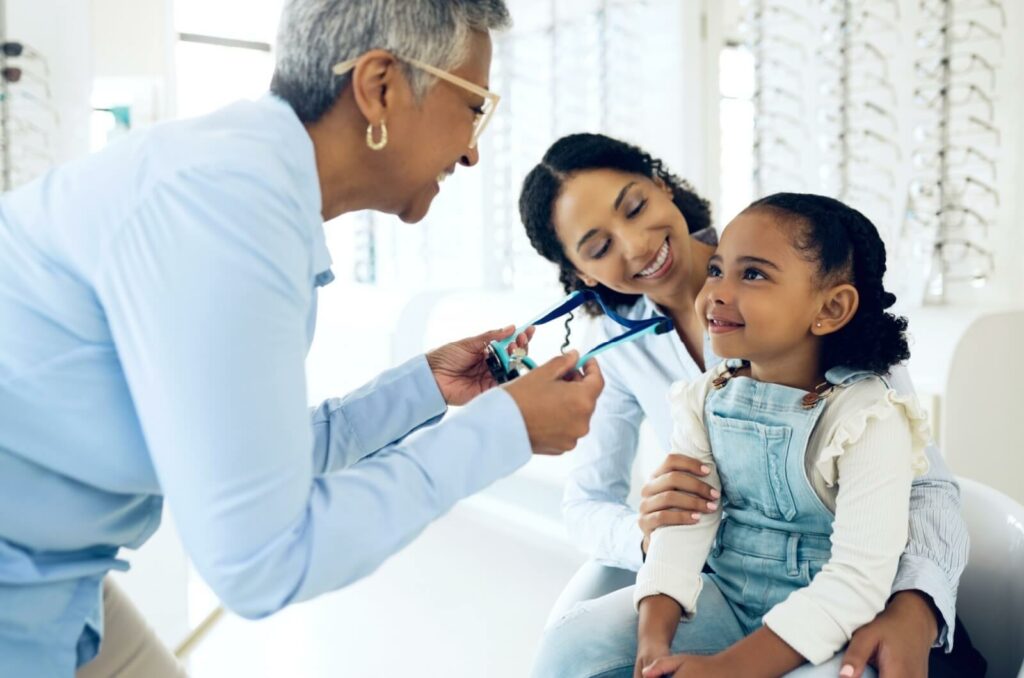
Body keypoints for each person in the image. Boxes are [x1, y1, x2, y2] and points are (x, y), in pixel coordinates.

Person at [0, 2, 604, 676]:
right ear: (380, 87)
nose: (472, 149)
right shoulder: (224, 213)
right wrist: (507, 429)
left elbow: (262, 466)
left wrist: (423, 388)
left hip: (53, 583)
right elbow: (262, 559)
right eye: (473, 107)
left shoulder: (244, 186)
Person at [520, 134, 985, 677]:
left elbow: (922, 485)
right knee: (574, 645)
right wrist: (651, 533)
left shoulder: (816, 283)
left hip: (850, 593)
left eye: (636, 206)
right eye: (599, 248)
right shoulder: (672, 380)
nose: (637, 246)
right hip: (728, 587)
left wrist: (916, 607)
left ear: (662, 185)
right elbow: (591, 504)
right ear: (580, 274)